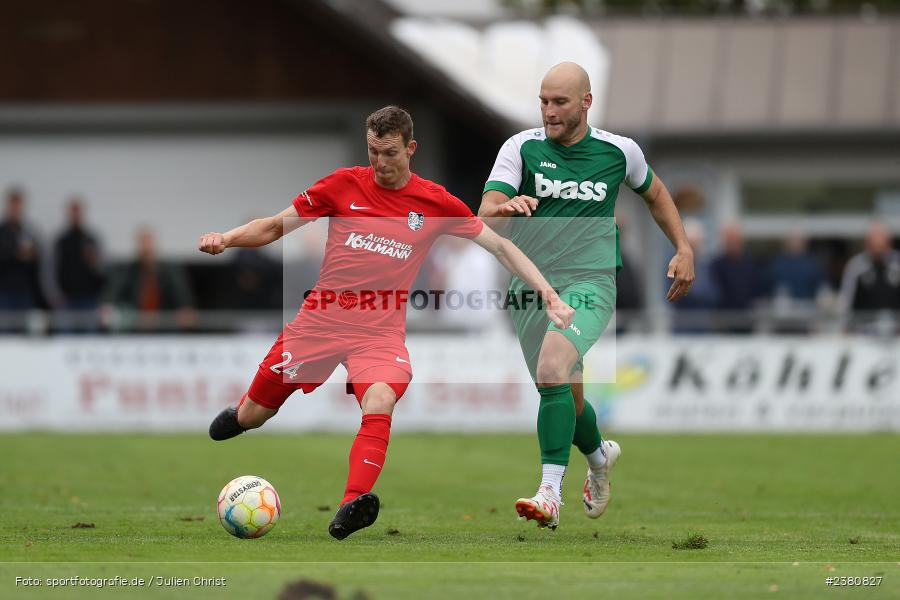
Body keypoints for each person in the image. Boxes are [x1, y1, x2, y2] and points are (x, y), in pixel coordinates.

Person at [200, 106, 574, 540]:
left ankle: (350, 505)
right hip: (319, 322)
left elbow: (500, 248)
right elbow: (272, 228)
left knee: (380, 400)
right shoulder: (342, 185)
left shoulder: (434, 202)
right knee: (256, 413)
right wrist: (226, 238)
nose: (380, 162)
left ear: (411, 148)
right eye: (373, 152)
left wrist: (547, 292)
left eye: (390, 152)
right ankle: (242, 416)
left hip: (378, 334)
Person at [478, 62, 694, 530]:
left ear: (585, 102)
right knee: (564, 397)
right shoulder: (521, 147)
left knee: (553, 368)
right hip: (532, 285)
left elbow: (656, 195)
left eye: (559, 102)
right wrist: (505, 207)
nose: (549, 111)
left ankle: (549, 492)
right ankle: (599, 458)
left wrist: (683, 246)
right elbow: (486, 216)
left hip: (592, 282)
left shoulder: (620, 151)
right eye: (543, 101)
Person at [838, 222, 900, 333]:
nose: (879, 248)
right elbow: (846, 301)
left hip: (895, 334)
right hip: (864, 334)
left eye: (882, 243)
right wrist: (844, 329)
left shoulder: (897, 264)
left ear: (889, 242)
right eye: (874, 243)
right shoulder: (856, 266)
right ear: (867, 243)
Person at [54, 198, 106, 328]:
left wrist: (92, 261)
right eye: (73, 212)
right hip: (67, 300)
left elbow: (102, 269)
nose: (76, 215)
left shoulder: (91, 239)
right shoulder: (61, 240)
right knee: (65, 339)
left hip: (89, 300)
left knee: (90, 341)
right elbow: (51, 270)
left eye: (78, 212)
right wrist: (56, 296)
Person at [0, 187, 45, 315]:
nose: (16, 209)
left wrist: (33, 255)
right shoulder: (1, 231)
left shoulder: (29, 231)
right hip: (4, 292)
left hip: (26, 291)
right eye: (13, 205)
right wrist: (16, 255)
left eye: (18, 205)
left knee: (26, 332)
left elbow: (38, 261)